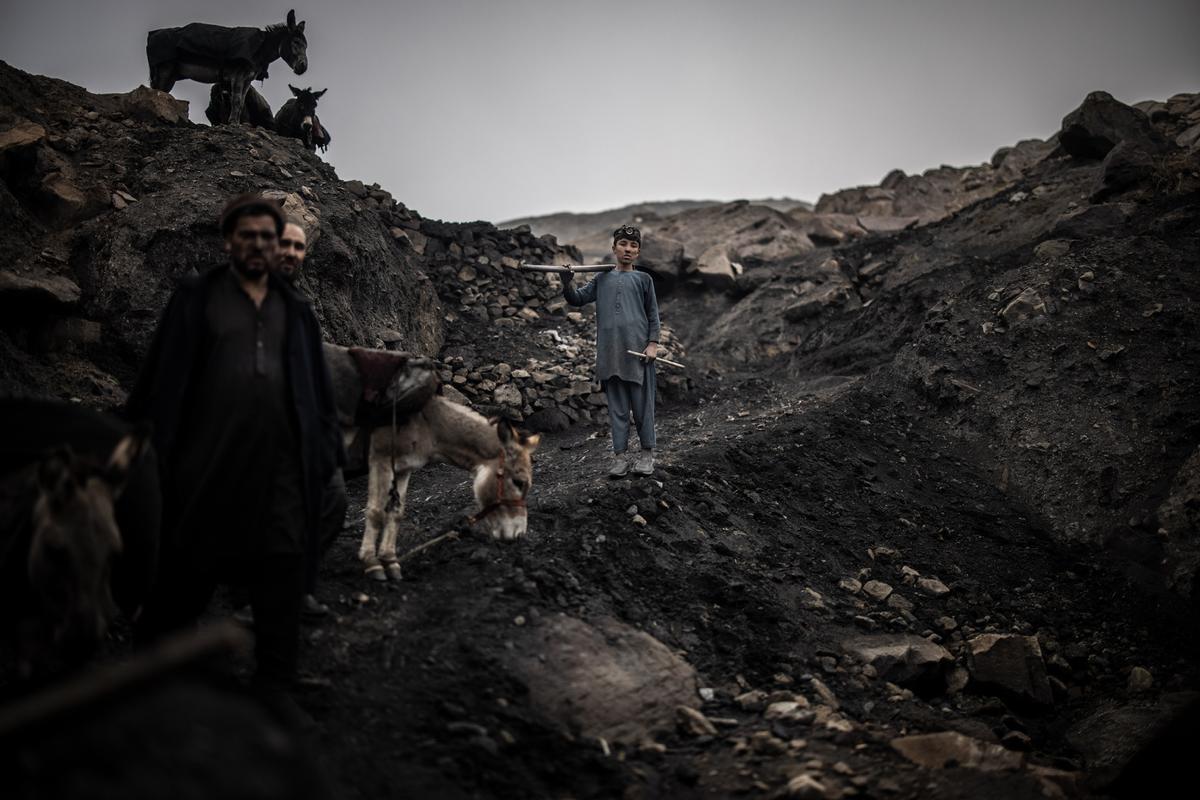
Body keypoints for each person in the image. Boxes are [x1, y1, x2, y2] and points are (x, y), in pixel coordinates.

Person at [126, 194, 342, 720]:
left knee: (282, 573)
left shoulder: (296, 310)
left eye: (268, 237)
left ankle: (274, 683)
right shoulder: (197, 299)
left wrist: (326, 450)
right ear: (229, 241)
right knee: (187, 567)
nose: (259, 245)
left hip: (282, 470)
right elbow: (163, 378)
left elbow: (316, 389)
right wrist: (141, 441)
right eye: (247, 235)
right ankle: (153, 671)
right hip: (208, 463)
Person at [277, 218, 348, 617]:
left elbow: (314, 378)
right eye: (284, 244)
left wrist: (329, 441)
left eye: (299, 247)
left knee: (332, 500)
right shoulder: (228, 301)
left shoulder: (300, 308)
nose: (291, 253)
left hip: (304, 433)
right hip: (256, 435)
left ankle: (296, 587)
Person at [563, 224, 660, 477]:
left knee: (642, 408)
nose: (628, 249)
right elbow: (577, 299)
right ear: (614, 248)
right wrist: (567, 283)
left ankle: (647, 455)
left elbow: (653, 315)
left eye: (633, 246)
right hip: (610, 354)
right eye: (623, 244)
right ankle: (620, 458)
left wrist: (652, 344)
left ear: (638, 252)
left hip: (639, 355)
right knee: (617, 410)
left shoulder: (644, 279)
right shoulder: (601, 278)